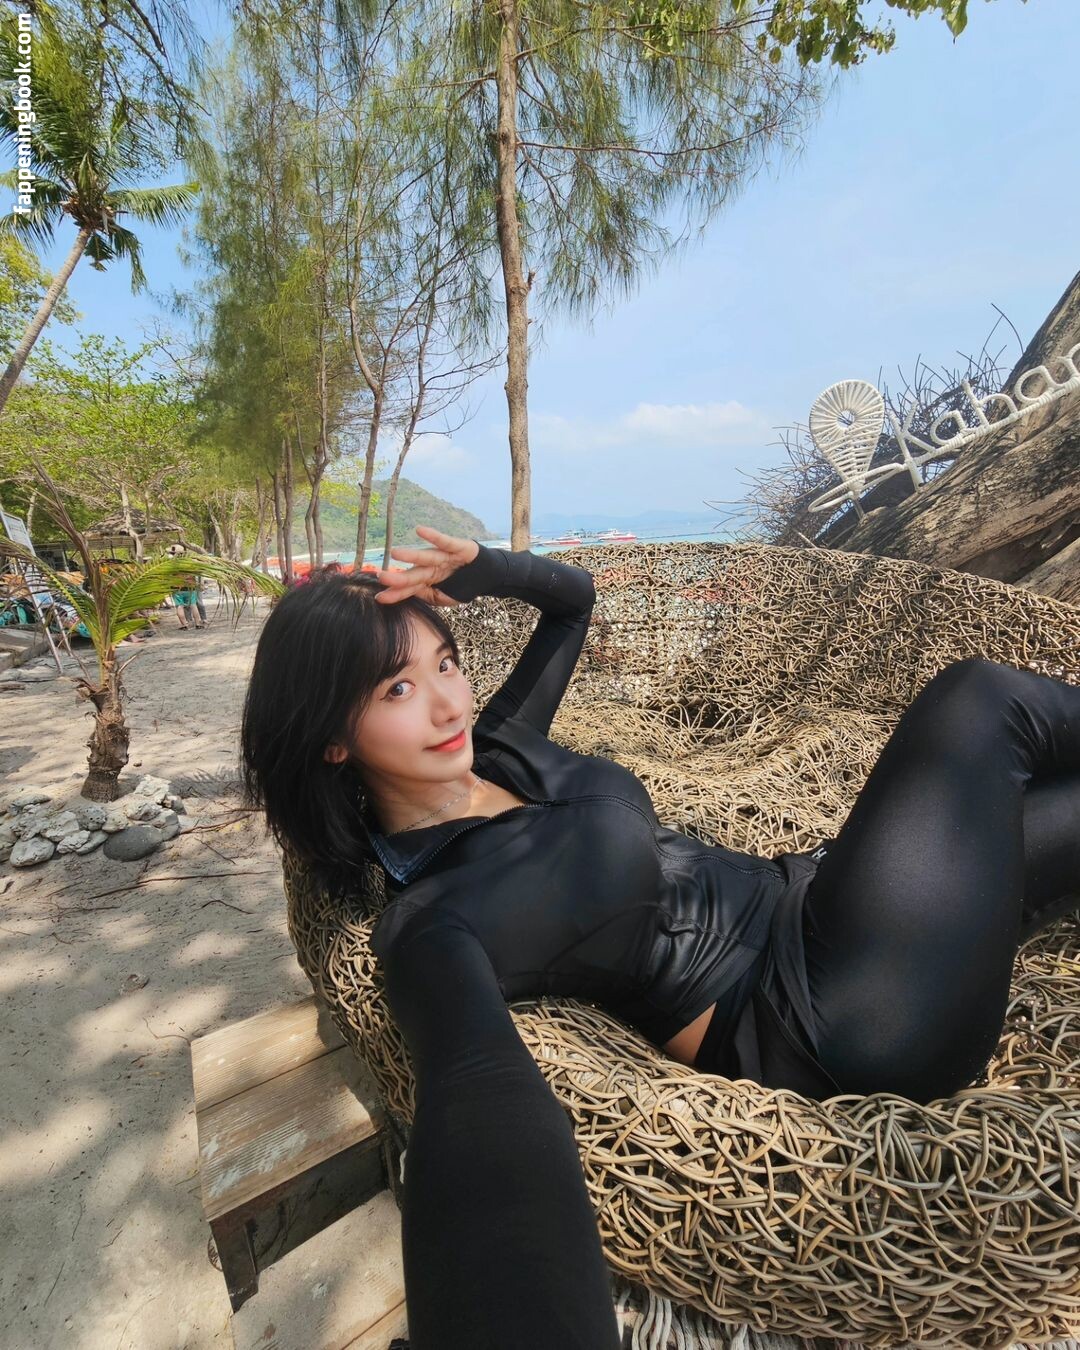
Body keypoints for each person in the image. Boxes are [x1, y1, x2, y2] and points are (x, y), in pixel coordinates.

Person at [240, 525, 1080, 1350]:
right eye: (397, 689)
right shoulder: (431, 917)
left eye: (446, 662)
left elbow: (573, 604)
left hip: (826, 901)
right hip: (833, 1015)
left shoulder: (497, 746)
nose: (448, 702)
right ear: (333, 739)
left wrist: (486, 569)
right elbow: (479, 1100)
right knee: (979, 701)